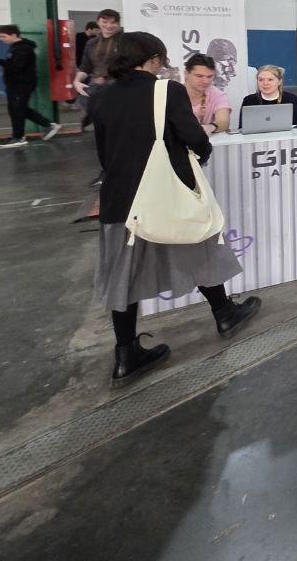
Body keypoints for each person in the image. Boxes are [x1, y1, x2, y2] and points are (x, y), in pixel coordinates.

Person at [92, 32, 260, 387]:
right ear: (154, 59)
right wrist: (202, 152)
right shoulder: (165, 90)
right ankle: (224, 313)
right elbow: (193, 137)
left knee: (122, 274)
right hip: (167, 193)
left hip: (121, 200)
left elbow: (104, 153)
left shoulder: (103, 95)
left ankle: (125, 354)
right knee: (198, 249)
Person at [0, 24, 62, 147]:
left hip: (21, 85)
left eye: (3, 36)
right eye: (0, 37)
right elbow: (13, 64)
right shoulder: (15, 47)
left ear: (14, 35)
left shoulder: (23, 48)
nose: (1, 39)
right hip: (15, 85)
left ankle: (18, 137)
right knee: (19, 109)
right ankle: (48, 125)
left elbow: (16, 67)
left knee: (17, 110)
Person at [74, 8, 122, 128]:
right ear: (98, 22)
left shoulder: (125, 42)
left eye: (113, 22)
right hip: (95, 88)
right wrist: (77, 81)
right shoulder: (91, 43)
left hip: (118, 88)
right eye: (105, 22)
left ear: (118, 24)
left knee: (116, 124)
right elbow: (85, 66)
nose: (109, 26)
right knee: (98, 125)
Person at [183, 53, 232, 135]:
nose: (206, 81)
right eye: (199, 76)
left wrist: (211, 127)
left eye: (209, 77)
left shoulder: (217, 94)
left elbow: (224, 121)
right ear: (186, 74)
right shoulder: (172, 93)